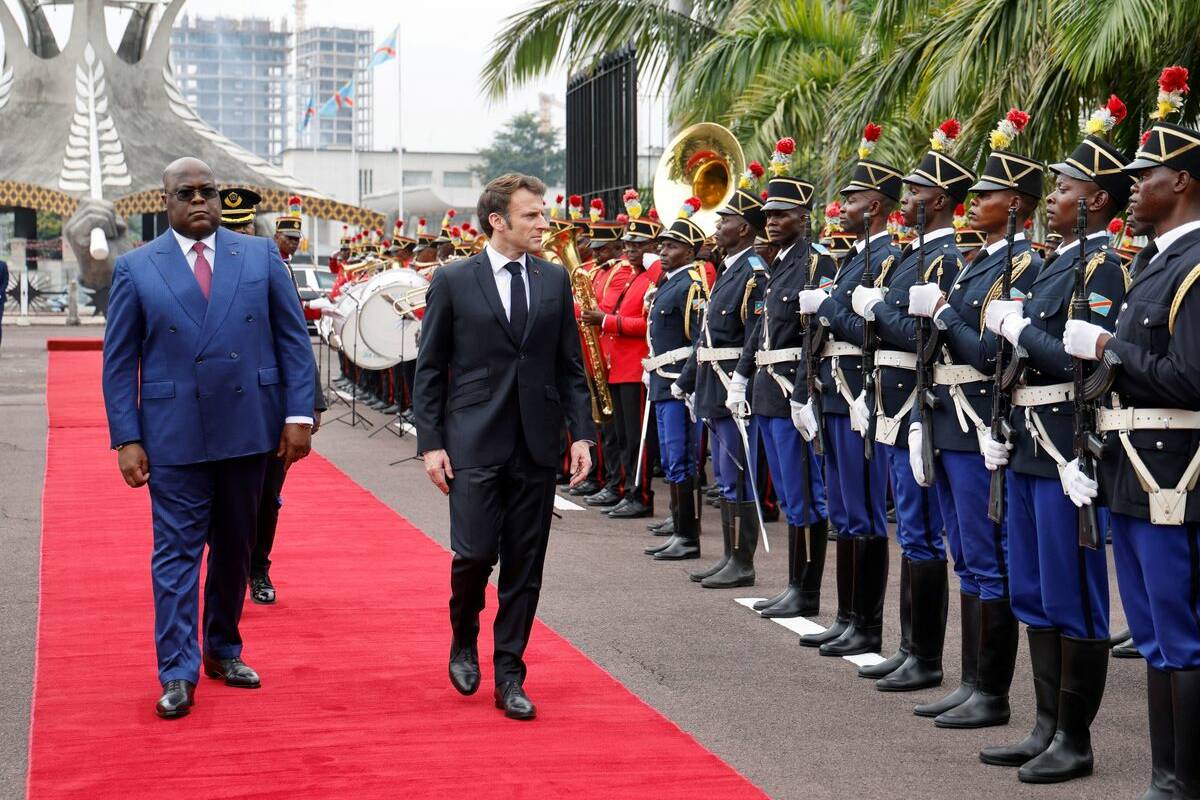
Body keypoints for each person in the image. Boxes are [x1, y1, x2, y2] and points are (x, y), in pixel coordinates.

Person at [102, 157, 316, 719]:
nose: (199, 201)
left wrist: (299, 415)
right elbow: (119, 362)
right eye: (186, 193)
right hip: (173, 434)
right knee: (175, 555)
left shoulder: (261, 256)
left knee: (235, 548)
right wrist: (126, 437)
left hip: (250, 429)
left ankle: (223, 647)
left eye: (208, 191)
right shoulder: (135, 268)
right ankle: (177, 670)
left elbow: (293, 341)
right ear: (165, 201)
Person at [977, 95, 1132, 783]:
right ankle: (1044, 726)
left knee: (1073, 595)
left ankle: (1075, 738)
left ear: (1096, 199)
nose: (1052, 198)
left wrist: (1019, 330)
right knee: (1034, 590)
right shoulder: (1048, 264)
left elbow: (1086, 361)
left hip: (1068, 443)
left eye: (1065, 188)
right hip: (1030, 441)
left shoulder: (1104, 268)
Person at [1063, 67, 1200, 799]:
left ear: (1182, 182)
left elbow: (1189, 378)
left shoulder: (1195, 266)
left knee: (1179, 635)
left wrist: (1106, 348)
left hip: (1174, 474)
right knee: (1151, 636)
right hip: (1133, 470)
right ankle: (1165, 777)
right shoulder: (1155, 261)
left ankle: (1181, 781)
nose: (1133, 189)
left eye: (1145, 177)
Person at [413, 173, 592, 721]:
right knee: (473, 555)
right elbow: (429, 368)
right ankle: (464, 635)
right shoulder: (453, 279)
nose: (543, 224)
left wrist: (582, 435)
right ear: (498, 220)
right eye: (532, 215)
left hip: (536, 443)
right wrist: (431, 444)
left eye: (543, 214)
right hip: (473, 439)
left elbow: (570, 366)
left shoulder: (554, 279)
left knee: (524, 564)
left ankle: (510, 673)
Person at [905, 109, 1044, 728]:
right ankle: (969, 682)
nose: (974, 202)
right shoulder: (977, 261)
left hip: (975, 420)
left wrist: (942, 314)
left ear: (1015, 204)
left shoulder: (1021, 265)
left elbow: (990, 353)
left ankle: (992, 692)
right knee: (965, 553)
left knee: (988, 558)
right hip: (948, 418)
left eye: (986, 195)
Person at [847, 118, 971, 685]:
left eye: (918, 190)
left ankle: (926, 657)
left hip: (918, 404)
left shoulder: (946, 260)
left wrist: (876, 310)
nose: (907, 198)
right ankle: (908, 646)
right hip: (893, 405)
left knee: (924, 530)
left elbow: (923, 340)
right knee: (913, 533)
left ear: (940, 200)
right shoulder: (909, 255)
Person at [730, 137, 835, 618]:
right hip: (767, 392)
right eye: (768, 215)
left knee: (805, 494)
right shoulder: (778, 264)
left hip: (794, 387)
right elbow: (760, 329)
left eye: (781, 214)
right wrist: (740, 376)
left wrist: (805, 392)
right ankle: (794, 583)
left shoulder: (816, 261)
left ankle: (806, 591)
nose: (770, 221)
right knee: (791, 494)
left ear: (804, 217)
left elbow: (818, 333)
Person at [674, 165, 768, 587]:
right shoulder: (729, 268)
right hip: (713, 381)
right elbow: (707, 335)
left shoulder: (753, 271)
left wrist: (741, 380)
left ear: (744, 228)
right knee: (726, 475)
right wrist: (688, 380)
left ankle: (742, 562)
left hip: (732, 382)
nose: (717, 226)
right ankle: (730, 556)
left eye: (725, 219)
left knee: (737, 472)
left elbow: (755, 334)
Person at [245, 199, 329, 606]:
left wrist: (310, 403)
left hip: (271, 407)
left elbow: (296, 342)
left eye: (246, 229)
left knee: (266, 497)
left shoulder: (275, 270)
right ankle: (228, 568)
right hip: (221, 408)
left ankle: (258, 568)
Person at [640, 201, 707, 560]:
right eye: (662, 246)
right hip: (663, 380)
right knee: (670, 458)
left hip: (678, 382)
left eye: (672, 246)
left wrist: (688, 382)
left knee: (682, 458)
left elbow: (699, 340)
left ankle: (688, 537)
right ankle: (680, 529)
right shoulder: (669, 283)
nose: (663, 251)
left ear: (690, 252)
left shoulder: (691, 285)